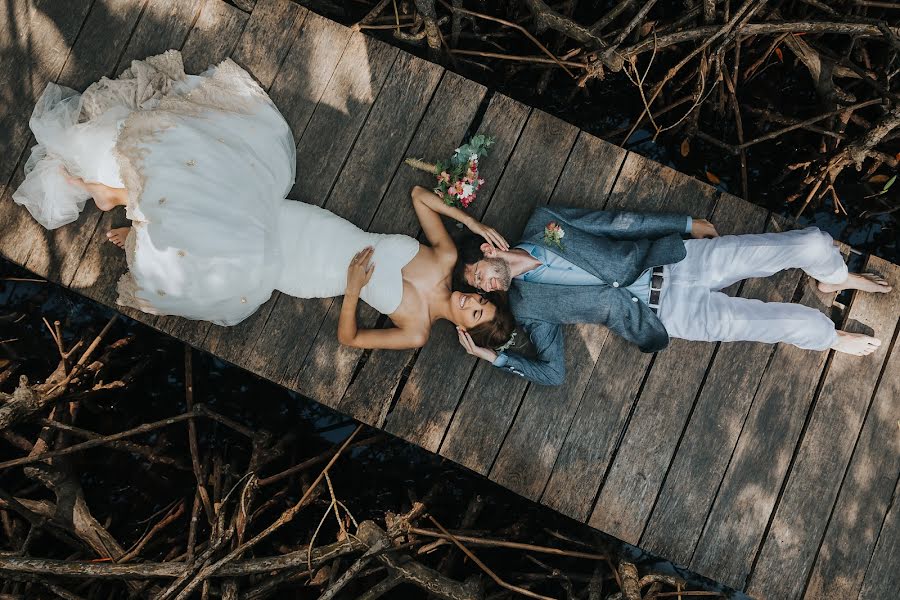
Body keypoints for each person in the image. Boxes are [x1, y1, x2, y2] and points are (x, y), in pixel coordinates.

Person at [13, 50, 514, 352]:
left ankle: (138, 224)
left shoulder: (417, 330)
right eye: (484, 302)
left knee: (234, 256)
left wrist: (354, 289)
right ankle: (128, 202)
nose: (474, 302)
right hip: (321, 231)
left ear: (466, 331)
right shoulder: (446, 257)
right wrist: (466, 220)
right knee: (235, 204)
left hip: (309, 274)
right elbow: (420, 194)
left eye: (476, 315)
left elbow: (350, 339)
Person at [453, 205, 892, 386]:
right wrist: (493, 357)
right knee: (777, 324)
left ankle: (835, 278)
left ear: (490, 248)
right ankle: (829, 336)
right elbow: (554, 374)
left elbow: (614, 222)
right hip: (667, 314)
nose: (486, 285)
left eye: (479, 273)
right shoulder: (528, 308)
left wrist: (682, 223)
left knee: (814, 243)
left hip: (674, 260)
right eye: (479, 288)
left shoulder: (542, 223)